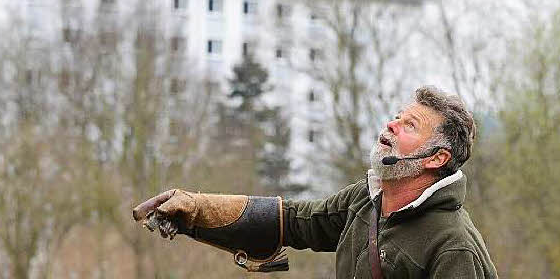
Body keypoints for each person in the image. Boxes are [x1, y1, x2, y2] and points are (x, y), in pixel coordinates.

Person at [133, 85, 498, 278]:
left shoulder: (454, 248)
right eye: (397, 117)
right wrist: (196, 211)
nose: (391, 125)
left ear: (437, 158)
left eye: (409, 126)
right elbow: (294, 221)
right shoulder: (365, 201)